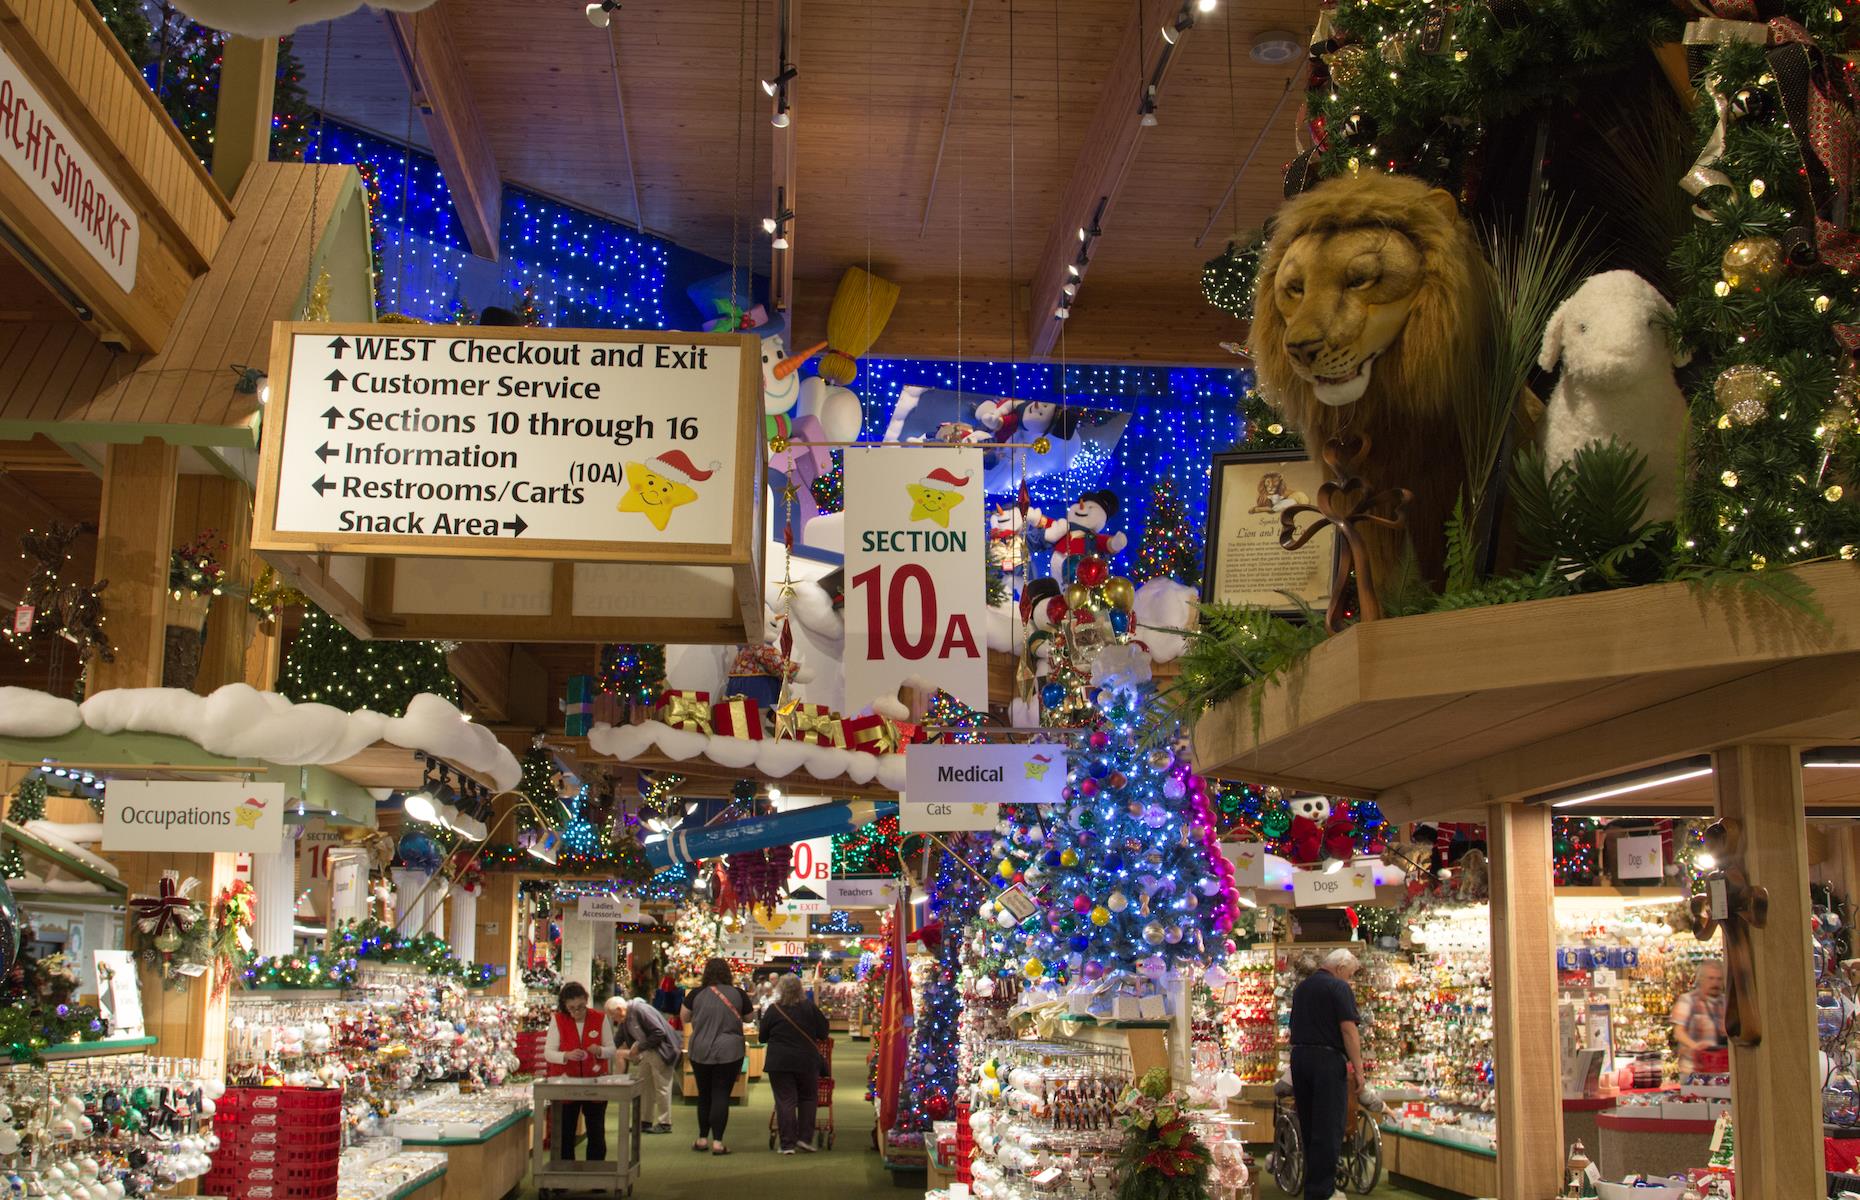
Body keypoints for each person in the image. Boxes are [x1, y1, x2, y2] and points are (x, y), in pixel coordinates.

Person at [1288, 948, 1362, 1200]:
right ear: (1340, 969)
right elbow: (1349, 1031)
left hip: (1300, 1058)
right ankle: (1324, 1191)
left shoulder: (1302, 988)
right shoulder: (1339, 989)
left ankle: (1314, 1188)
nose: (1349, 980)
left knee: (1309, 1125)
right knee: (1329, 1127)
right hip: (1327, 1060)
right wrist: (1359, 1071)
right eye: (1349, 974)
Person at [680, 956, 751, 1154]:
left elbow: (684, 1017)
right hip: (730, 1050)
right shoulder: (738, 994)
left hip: (701, 1049)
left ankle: (702, 1139)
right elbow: (749, 1017)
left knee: (704, 1094)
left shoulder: (696, 993)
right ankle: (718, 1142)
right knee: (721, 1094)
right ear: (727, 973)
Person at [759, 973, 830, 1154]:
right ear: (800, 989)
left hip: (779, 1062)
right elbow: (823, 1032)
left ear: (780, 989)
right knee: (808, 1098)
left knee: (785, 1100)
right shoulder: (810, 1008)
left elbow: (762, 1036)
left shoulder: (774, 1009)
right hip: (807, 1060)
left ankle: (787, 1144)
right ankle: (805, 1139)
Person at [544, 981, 616, 1161]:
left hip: (595, 1082)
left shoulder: (600, 1018)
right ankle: (563, 1176)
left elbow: (611, 1049)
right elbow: (548, 1053)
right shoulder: (558, 1020)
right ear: (565, 1006)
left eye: (581, 1007)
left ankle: (596, 1175)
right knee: (565, 1132)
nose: (577, 1012)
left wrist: (600, 1050)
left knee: (596, 1131)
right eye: (572, 1008)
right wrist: (566, 1055)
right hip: (565, 1083)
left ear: (587, 1001)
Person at [608, 995, 680, 1133]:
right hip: (648, 1051)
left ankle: (665, 1123)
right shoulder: (626, 1017)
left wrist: (640, 1047)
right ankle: (645, 1121)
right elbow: (619, 1038)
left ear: (619, 1009)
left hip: (661, 1051)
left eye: (612, 1015)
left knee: (662, 1086)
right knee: (645, 1086)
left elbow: (659, 1032)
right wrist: (605, 1051)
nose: (613, 1018)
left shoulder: (640, 1010)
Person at [1671, 960, 1728, 1074]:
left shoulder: (1726, 1002)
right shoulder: (1688, 1000)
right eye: (1711, 978)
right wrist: (1695, 1046)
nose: (1715, 983)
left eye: (1719, 979)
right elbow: (1678, 1032)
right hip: (1694, 1070)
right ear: (1701, 979)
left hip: (1722, 1069)